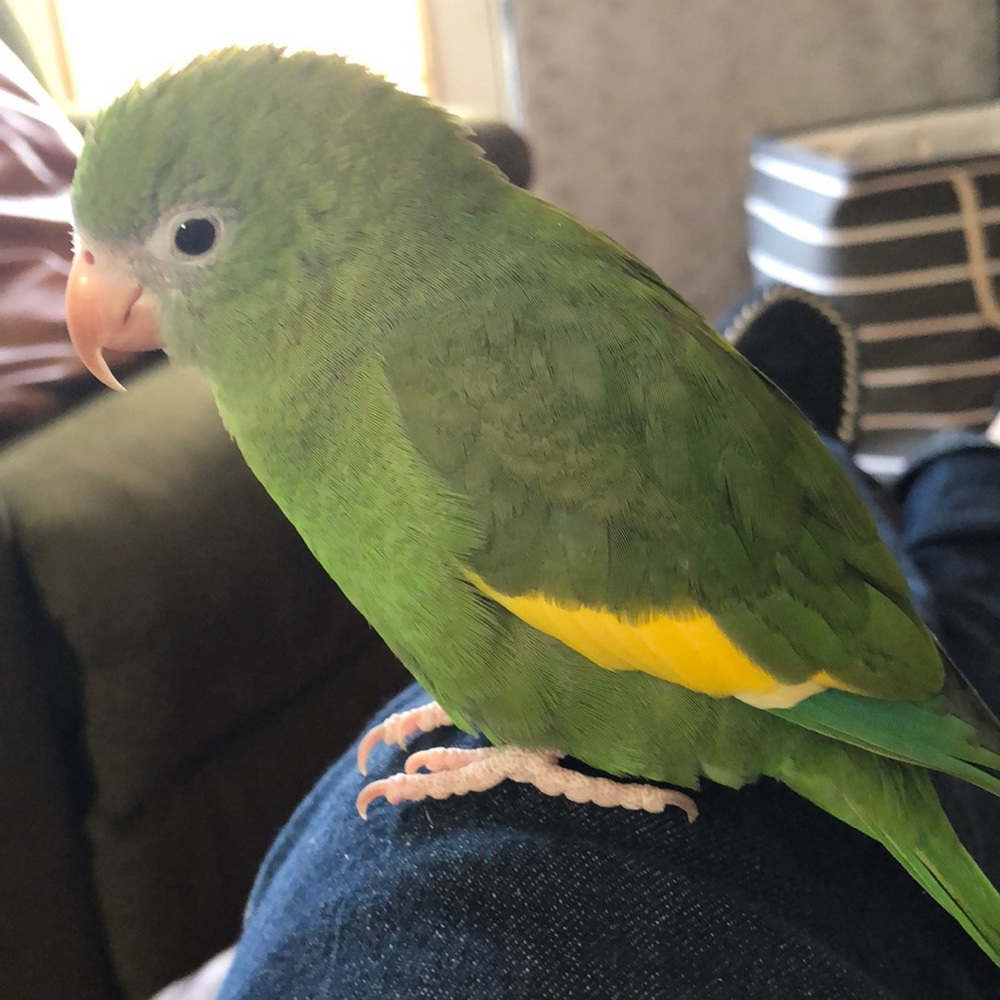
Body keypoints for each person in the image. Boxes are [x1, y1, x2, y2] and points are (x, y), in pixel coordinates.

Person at [154, 287, 1000, 1000]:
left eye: (192, 236)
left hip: (780, 679)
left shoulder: (430, 381)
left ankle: (878, 456)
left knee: (922, 611)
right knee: (924, 596)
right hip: (777, 603)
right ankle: (911, 456)